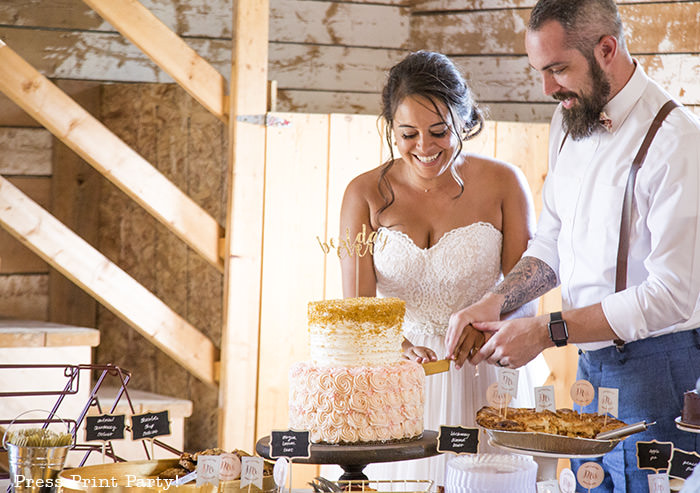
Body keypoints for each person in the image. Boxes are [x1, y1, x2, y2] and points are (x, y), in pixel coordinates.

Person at [445, 1, 700, 491]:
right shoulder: (568, 121)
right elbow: (552, 238)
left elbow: (672, 294)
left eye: (559, 69)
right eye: (540, 71)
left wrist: (547, 330)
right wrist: (494, 302)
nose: (547, 88)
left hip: (662, 369)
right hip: (589, 363)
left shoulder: (677, 142)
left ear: (607, 49)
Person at [337, 50, 549, 485]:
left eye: (439, 131)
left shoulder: (504, 183)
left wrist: (490, 321)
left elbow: (526, 299)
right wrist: (398, 345)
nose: (425, 147)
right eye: (408, 134)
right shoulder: (363, 194)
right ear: (390, 128)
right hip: (404, 382)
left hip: (484, 372)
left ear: (464, 119)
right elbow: (358, 312)